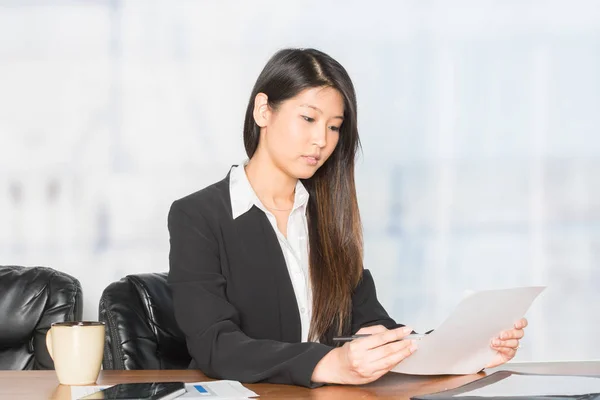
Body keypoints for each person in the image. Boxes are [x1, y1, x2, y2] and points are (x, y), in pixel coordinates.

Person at [167, 48, 527, 388]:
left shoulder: (325, 216)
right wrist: (328, 364)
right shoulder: (197, 215)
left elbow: (370, 326)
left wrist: (465, 348)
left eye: (334, 127)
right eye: (308, 118)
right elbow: (214, 344)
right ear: (264, 110)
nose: (320, 140)